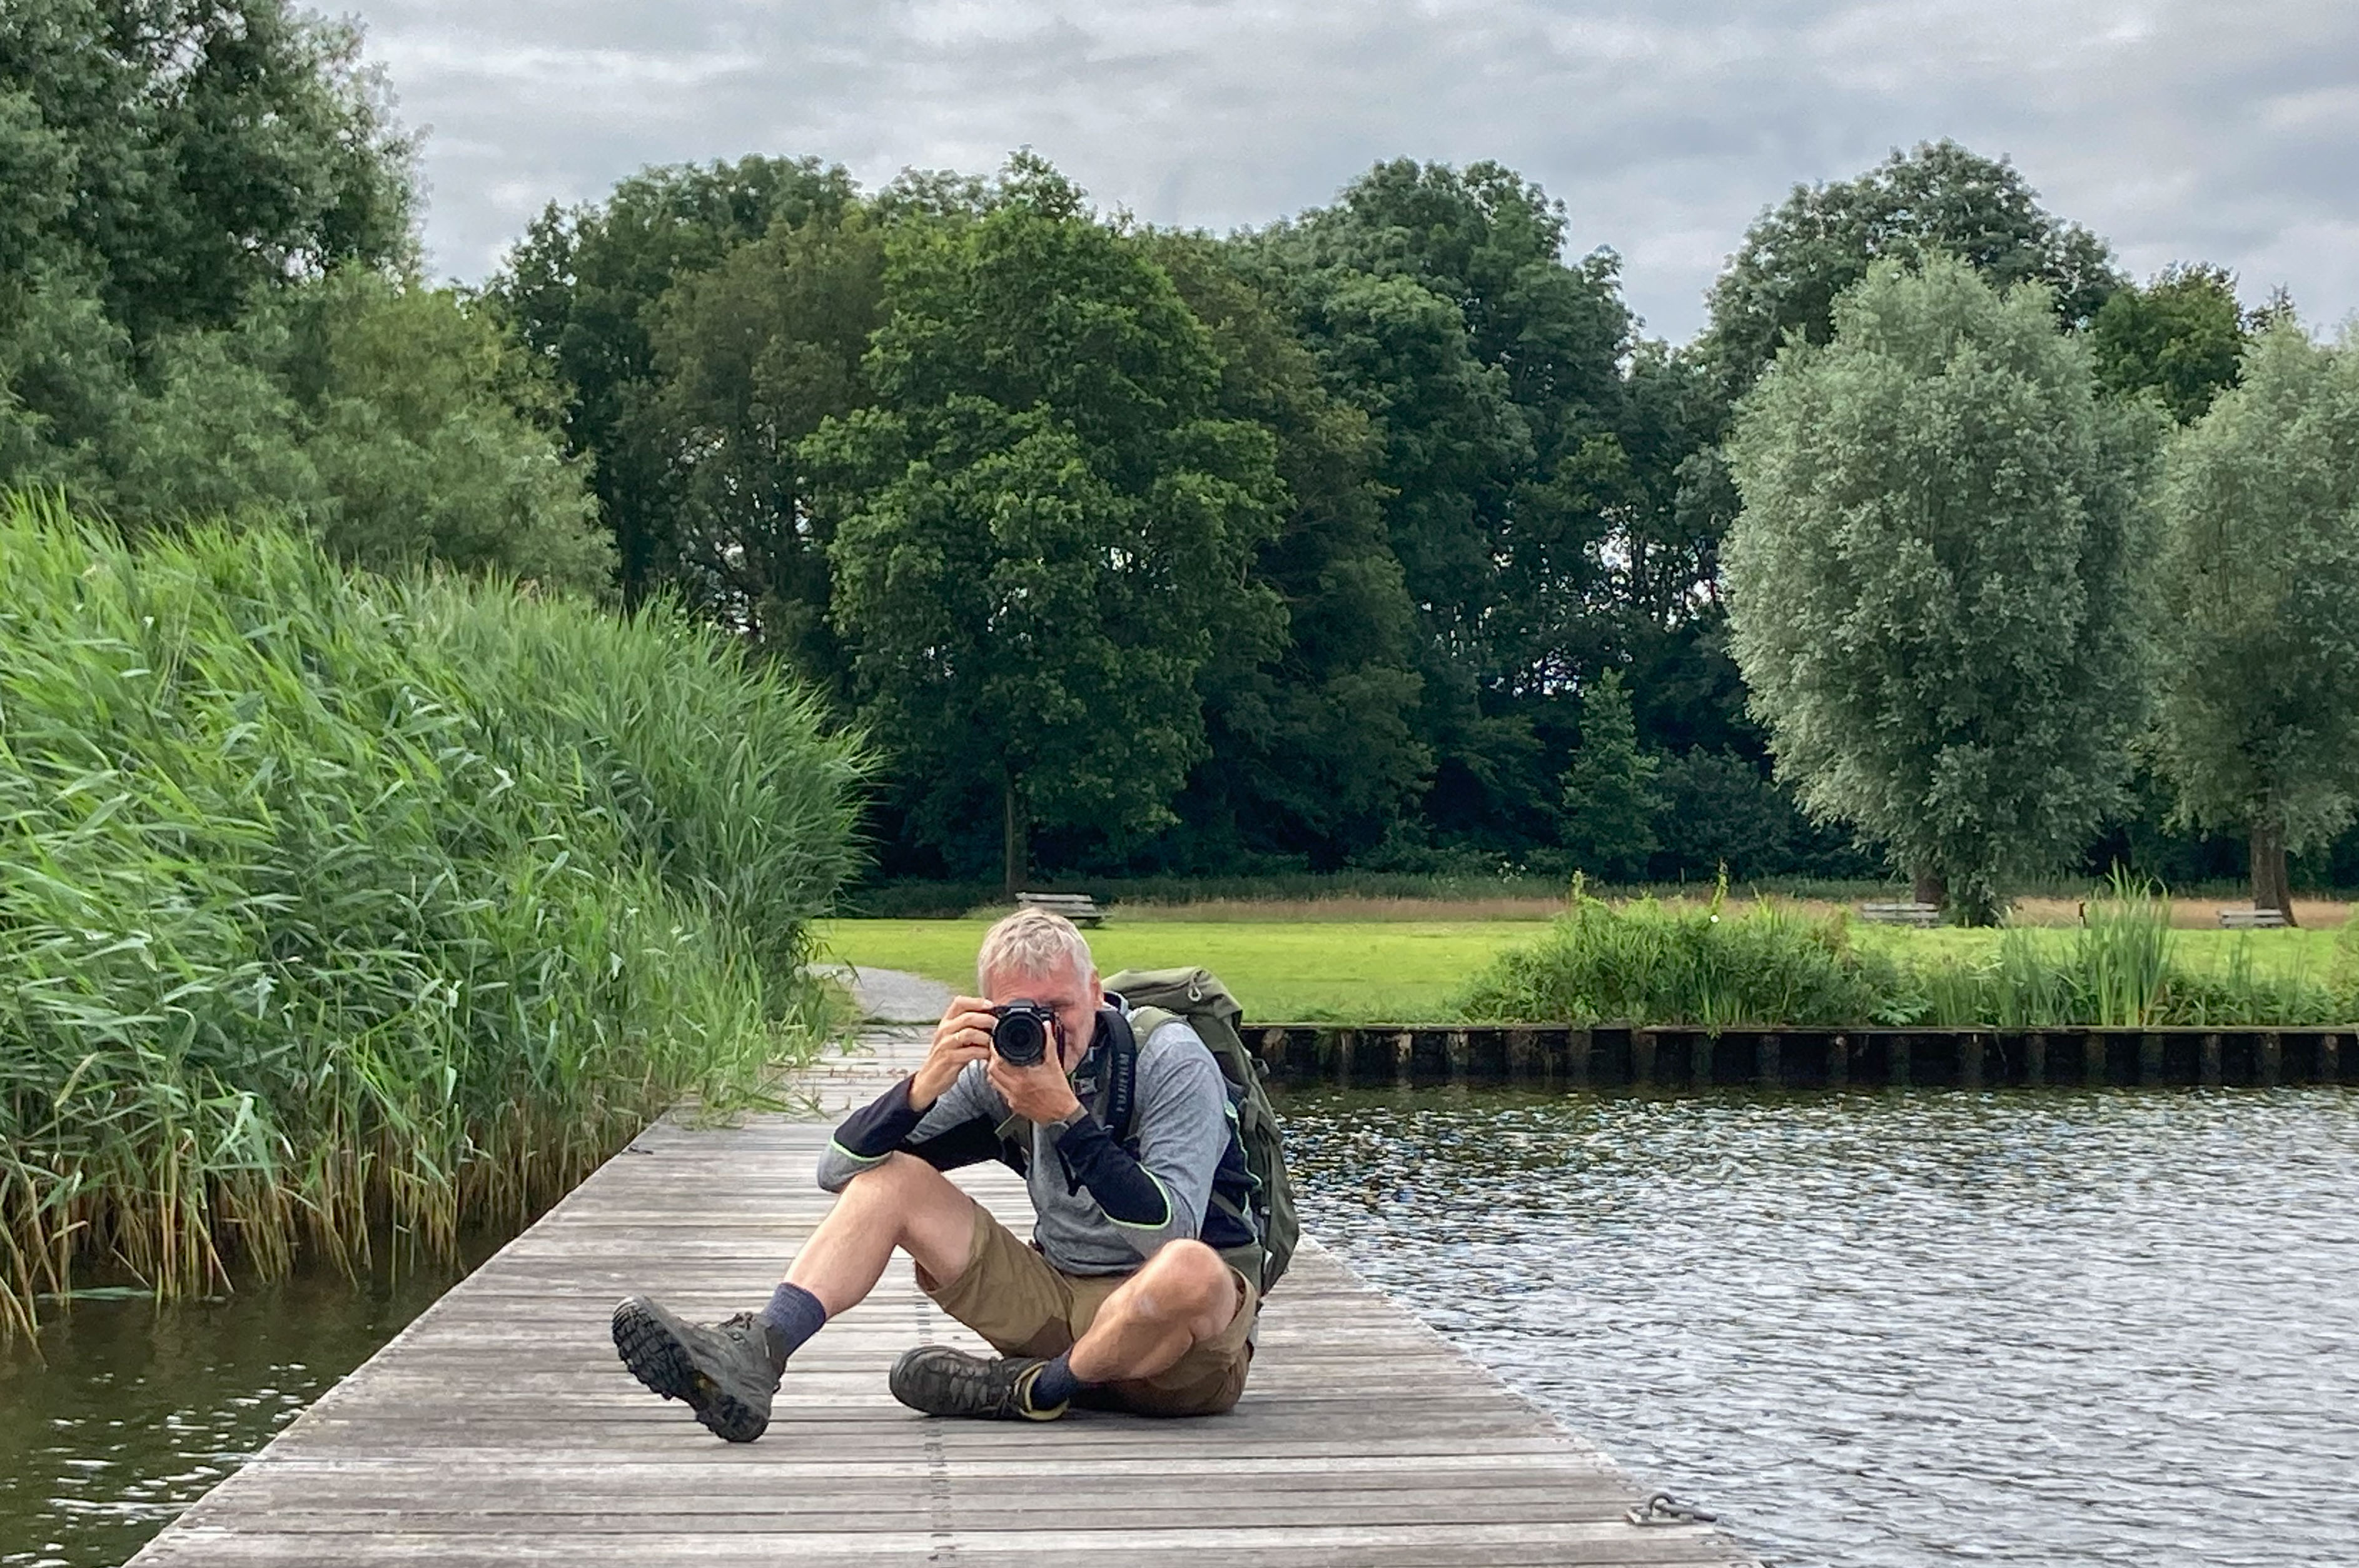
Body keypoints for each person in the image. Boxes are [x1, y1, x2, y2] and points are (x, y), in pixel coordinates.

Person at [610, 908, 1260, 1442]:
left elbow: (1170, 1231)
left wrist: (1064, 1117)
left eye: (1059, 1008)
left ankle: (1037, 1390)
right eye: (1020, 1015)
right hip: (1060, 1300)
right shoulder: (997, 1071)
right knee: (890, 1181)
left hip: (1173, 1353)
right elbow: (837, 1170)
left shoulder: (1168, 1059)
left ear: (1096, 993)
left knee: (1189, 1267)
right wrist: (924, 1085)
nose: (1043, 1033)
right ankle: (757, 1353)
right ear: (989, 1011)